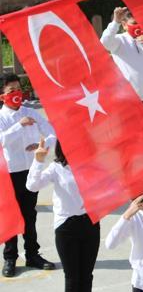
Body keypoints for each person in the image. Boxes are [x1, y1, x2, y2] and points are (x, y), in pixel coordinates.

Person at [100, 7, 143, 186]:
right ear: (125, 25)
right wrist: (115, 21)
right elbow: (104, 42)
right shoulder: (119, 42)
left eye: (141, 23)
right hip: (131, 101)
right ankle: (131, 177)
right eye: (133, 23)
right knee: (131, 142)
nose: (138, 27)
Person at [0, 73, 57, 277]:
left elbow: (51, 132)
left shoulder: (30, 112)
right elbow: (2, 141)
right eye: (10, 90)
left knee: (29, 215)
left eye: (18, 88)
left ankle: (32, 254)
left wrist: (43, 145)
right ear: (2, 96)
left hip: (31, 170)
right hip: (10, 174)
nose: (16, 93)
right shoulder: (2, 117)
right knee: (11, 215)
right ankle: (10, 258)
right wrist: (19, 125)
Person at [26, 139, 99, 292]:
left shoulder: (92, 165)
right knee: (72, 278)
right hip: (66, 226)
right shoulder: (56, 168)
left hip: (90, 223)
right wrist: (38, 161)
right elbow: (32, 186)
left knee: (87, 276)